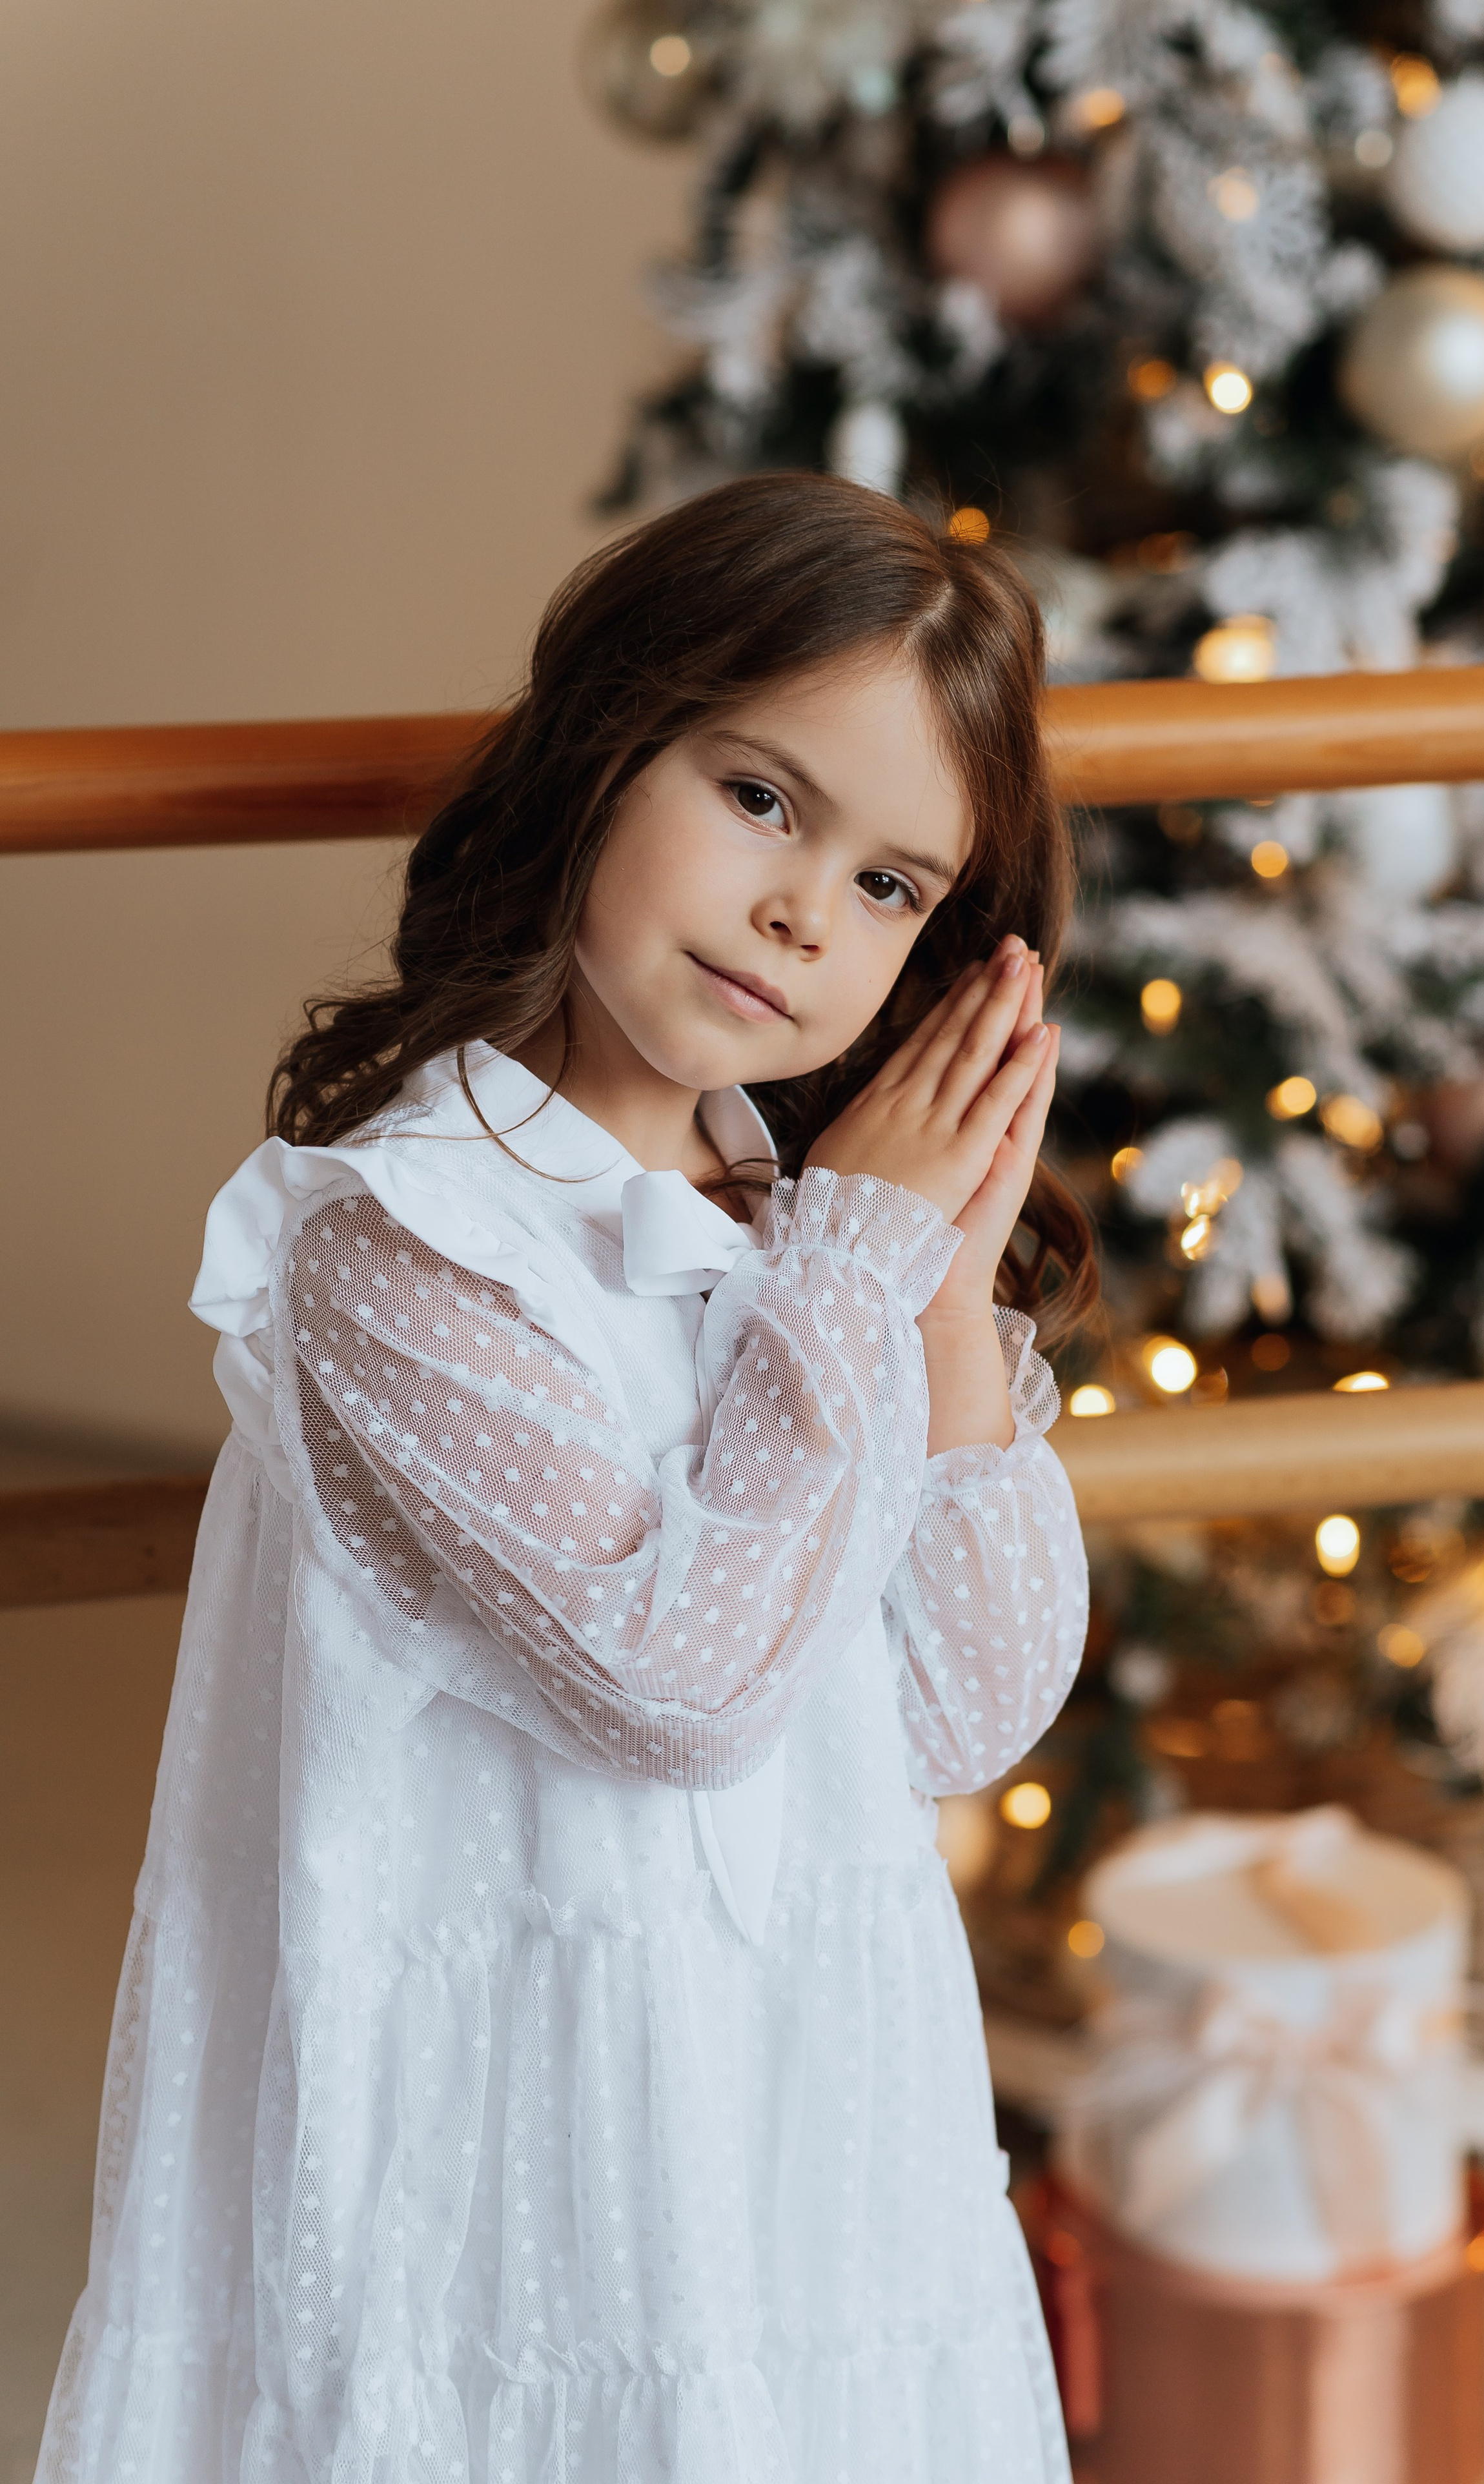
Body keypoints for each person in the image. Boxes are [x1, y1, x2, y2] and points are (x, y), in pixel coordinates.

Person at [39, 473, 1095, 2484]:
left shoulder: (816, 1234)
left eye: (890, 887)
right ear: (613, 747)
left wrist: (944, 1288)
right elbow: (682, 1683)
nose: (804, 910)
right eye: (765, 798)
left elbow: (970, 1702)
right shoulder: (398, 1247)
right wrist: (858, 1274)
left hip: (809, 2129)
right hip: (520, 2168)